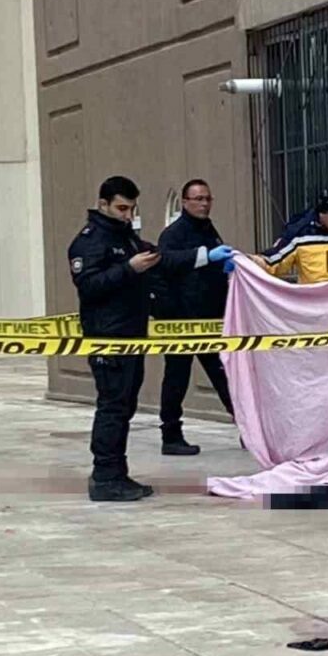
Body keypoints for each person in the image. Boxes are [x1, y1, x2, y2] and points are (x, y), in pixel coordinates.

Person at [69, 175, 235, 502]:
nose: (128, 215)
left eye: (132, 209)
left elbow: (165, 259)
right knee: (113, 407)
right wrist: (129, 269)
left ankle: (116, 473)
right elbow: (89, 286)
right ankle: (105, 476)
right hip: (109, 338)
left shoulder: (127, 237)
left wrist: (207, 256)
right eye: (122, 208)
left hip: (133, 336)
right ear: (103, 205)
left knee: (124, 406)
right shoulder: (90, 241)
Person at [150, 179, 234, 456]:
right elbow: (167, 262)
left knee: (224, 375)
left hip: (210, 318)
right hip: (181, 320)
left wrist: (225, 268)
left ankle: (248, 427)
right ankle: (171, 435)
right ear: (185, 202)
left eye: (207, 199)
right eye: (198, 199)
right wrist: (206, 256)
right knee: (177, 377)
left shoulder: (208, 230)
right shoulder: (173, 234)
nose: (204, 204)